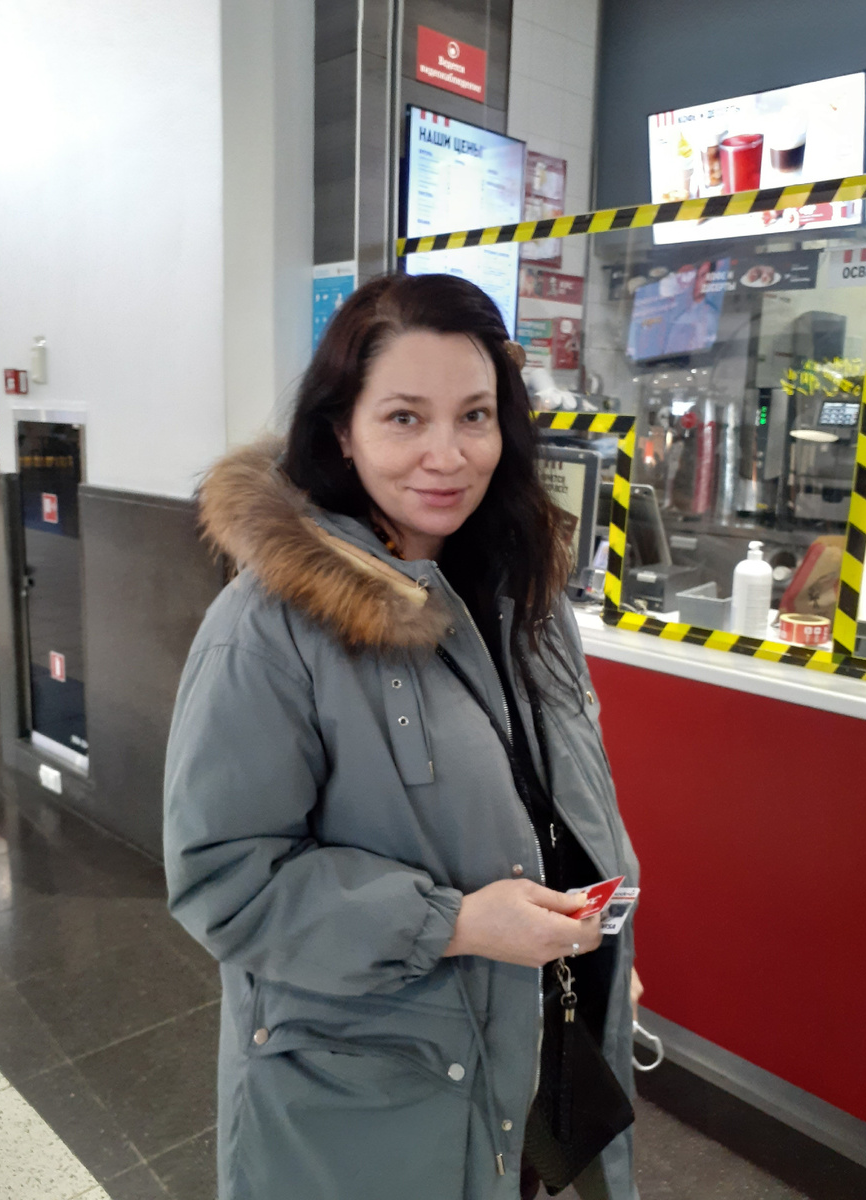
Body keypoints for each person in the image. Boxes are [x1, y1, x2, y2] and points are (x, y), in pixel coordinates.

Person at [163, 273, 641, 1200]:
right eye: (404, 418)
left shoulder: (525, 597)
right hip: (373, 1100)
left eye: (475, 416)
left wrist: (608, 943)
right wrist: (454, 923)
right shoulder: (267, 629)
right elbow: (224, 879)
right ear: (342, 430)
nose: (447, 456)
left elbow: (564, 796)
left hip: (539, 1048)